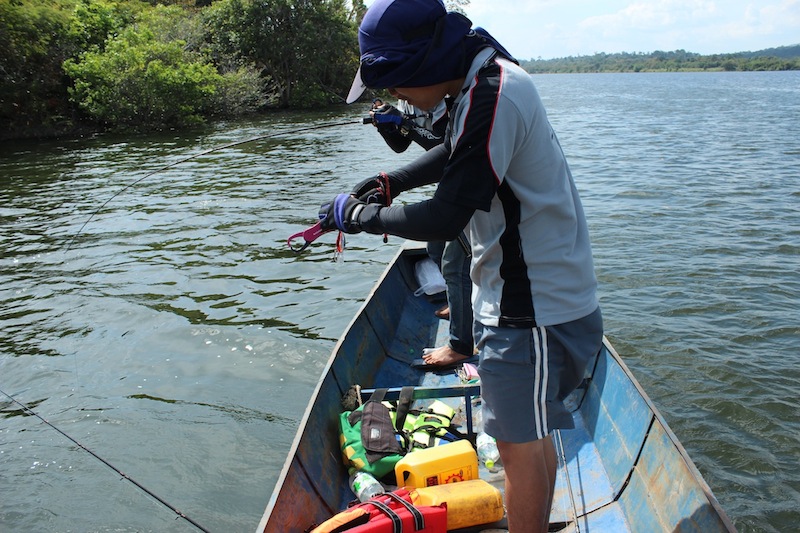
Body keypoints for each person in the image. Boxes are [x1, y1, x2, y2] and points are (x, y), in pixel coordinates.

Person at [319, 1, 604, 531]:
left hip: (531, 307)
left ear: (423, 64)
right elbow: (456, 147)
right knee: (529, 437)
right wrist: (393, 182)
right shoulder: (482, 80)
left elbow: (447, 215)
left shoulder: (494, 91)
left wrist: (361, 217)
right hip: (534, 298)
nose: (396, 98)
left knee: (519, 449)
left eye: (398, 85)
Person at [366, 97, 473, 368]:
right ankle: (461, 304)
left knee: (455, 264)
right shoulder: (410, 98)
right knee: (435, 248)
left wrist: (405, 125)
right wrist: (387, 126)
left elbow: (448, 148)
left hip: (471, 184)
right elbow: (401, 146)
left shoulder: (452, 97)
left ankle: (462, 344)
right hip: (449, 181)